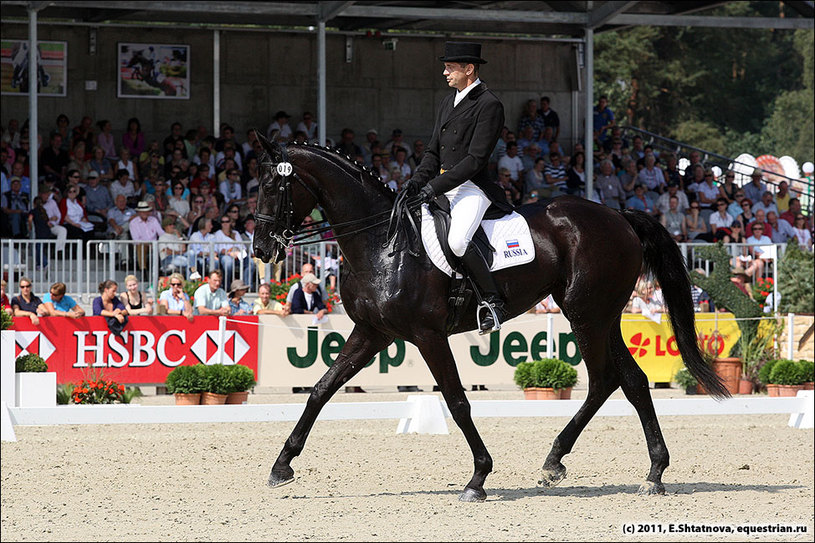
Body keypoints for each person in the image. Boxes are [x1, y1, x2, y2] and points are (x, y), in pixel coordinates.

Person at [403, 41, 513, 334]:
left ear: (469, 69)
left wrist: (434, 186)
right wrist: (416, 182)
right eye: (446, 67)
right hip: (441, 184)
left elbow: (475, 160)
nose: (445, 72)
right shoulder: (447, 102)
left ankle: (493, 302)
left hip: (471, 187)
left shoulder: (489, 105)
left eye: (450, 67)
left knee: (458, 241)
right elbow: (432, 152)